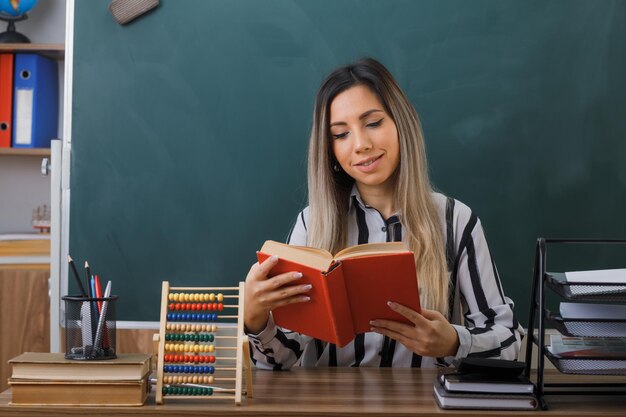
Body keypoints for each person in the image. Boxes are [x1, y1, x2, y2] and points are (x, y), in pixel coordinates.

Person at [244, 57, 524, 369]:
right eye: (341, 134)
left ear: (401, 125)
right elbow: (279, 362)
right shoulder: (312, 225)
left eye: (373, 123)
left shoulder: (456, 221)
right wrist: (256, 319)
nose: (361, 144)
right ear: (331, 151)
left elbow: (509, 340)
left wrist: (453, 342)